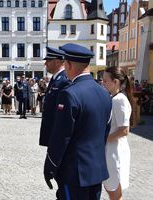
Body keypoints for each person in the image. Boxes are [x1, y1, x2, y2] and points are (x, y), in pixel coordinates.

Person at [44, 43, 112, 200]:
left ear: (68, 64)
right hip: (96, 170)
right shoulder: (104, 92)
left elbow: (61, 137)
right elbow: (105, 132)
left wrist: (50, 166)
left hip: (74, 173)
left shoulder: (69, 94)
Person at [102, 67, 134, 200]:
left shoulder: (119, 100)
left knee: (115, 194)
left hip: (115, 152)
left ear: (115, 82)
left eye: (105, 80)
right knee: (113, 192)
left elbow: (124, 130)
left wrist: (103, 139)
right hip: (111, 150)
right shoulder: (114, 98)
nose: (103, 83)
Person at [39, 46, 70, 147]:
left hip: (58, 130)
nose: (45, 64)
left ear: (57, 62)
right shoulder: (55, 78)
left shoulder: (64, 80)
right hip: (52, 129)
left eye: (48, 61)